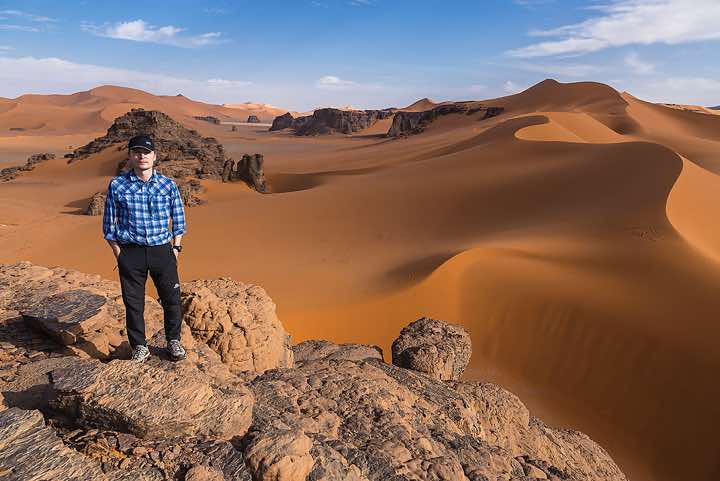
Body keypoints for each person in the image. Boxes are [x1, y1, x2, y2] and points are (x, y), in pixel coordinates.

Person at [102, 135, 187, 362]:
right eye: (137, 152)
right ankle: (139, 346)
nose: (142, 156)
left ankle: (174, 341)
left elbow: (179, 221)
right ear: (130, 156)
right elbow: (109, 225)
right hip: (131, 252)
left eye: (146, 152)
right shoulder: (117, 185)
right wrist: (120, 254)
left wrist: (176, 248)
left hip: (162, 250)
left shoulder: (168, 185)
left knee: (171, 299)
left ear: (154, 156)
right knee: (133, 303)